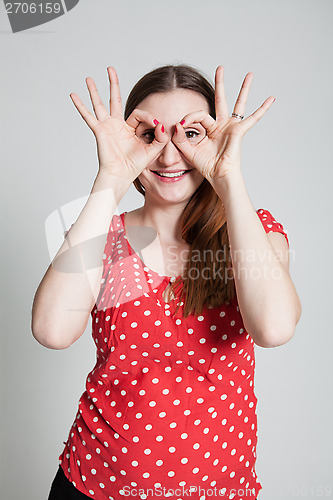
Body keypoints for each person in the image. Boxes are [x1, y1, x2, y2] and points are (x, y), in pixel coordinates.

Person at [31, 64, 302, 500]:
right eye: (150, 135)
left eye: (190, 134)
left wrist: (229, 178)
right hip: (94, 485)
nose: (169, 155)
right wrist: (111, 178)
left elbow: (273, 328)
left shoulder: (254, 230)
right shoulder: (102, 234)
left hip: (216, 489)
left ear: (215, 138)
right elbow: (51, 331)